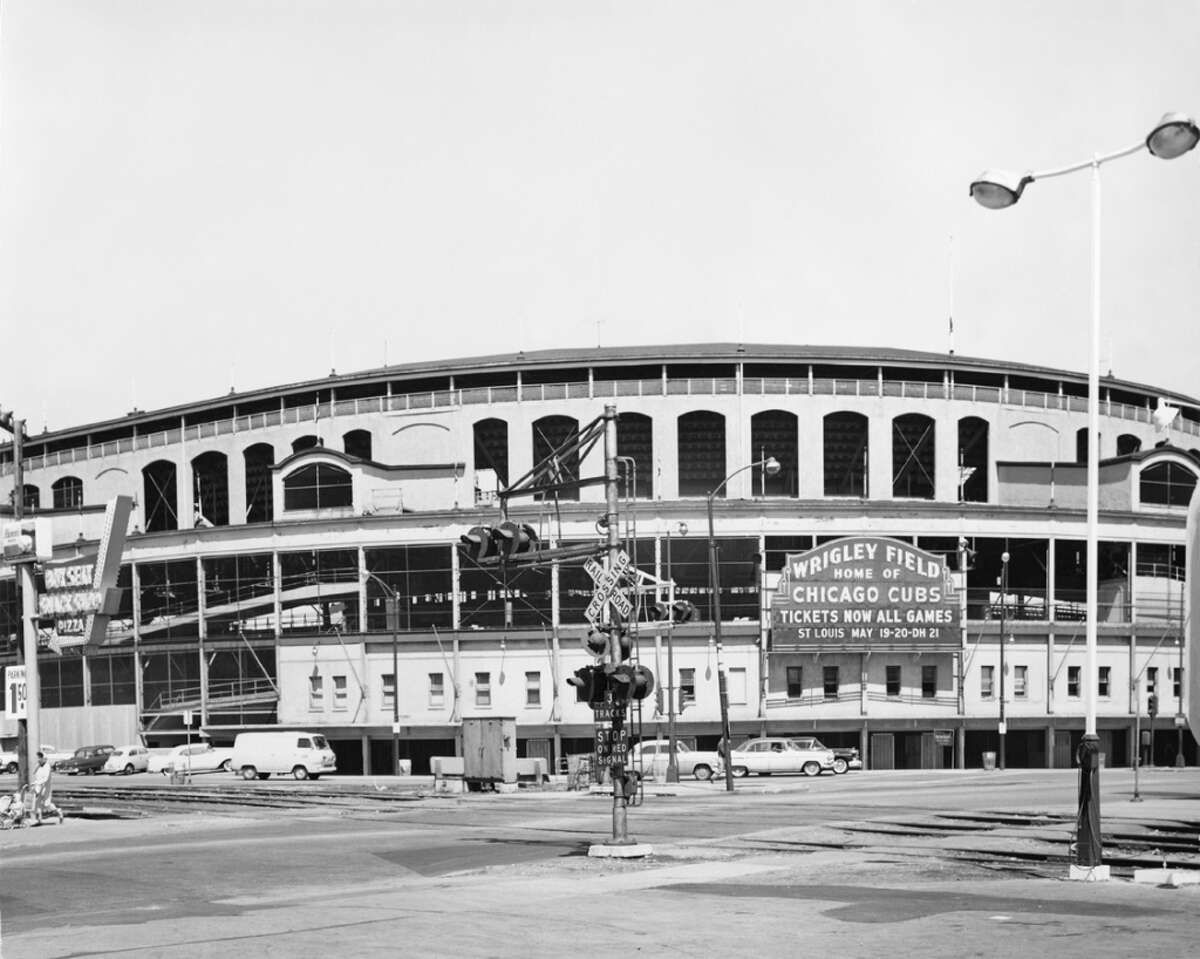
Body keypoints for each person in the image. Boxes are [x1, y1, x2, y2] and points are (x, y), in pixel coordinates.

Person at [31, 751, 64, 825]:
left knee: (47, 805)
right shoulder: (38, 766)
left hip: (46, 789)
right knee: (37, 803)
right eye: (38, 757)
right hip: (39, 788)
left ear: (45, 758)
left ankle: (59, 811)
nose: (39, 759)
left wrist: (37, 783)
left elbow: (45, 779)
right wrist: (37, 766)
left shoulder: (47, 766)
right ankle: (39, 820)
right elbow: (33, 773)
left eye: (41, 757)